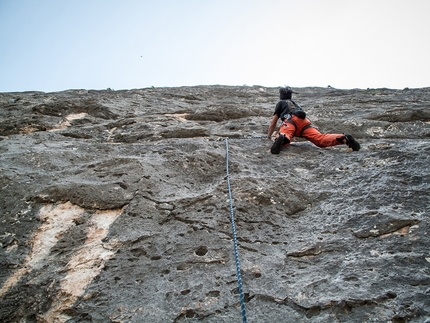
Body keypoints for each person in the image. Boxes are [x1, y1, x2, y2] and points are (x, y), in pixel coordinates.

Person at [267, 86, 360, 154]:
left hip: (290, 121)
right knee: (320, 139)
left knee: (285, 133)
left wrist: (268, 136)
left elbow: (273, 122)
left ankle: (281, 138)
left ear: (280, 96)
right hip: (305, 123)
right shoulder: (296, 105)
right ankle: (344, 138)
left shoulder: (281, 103)